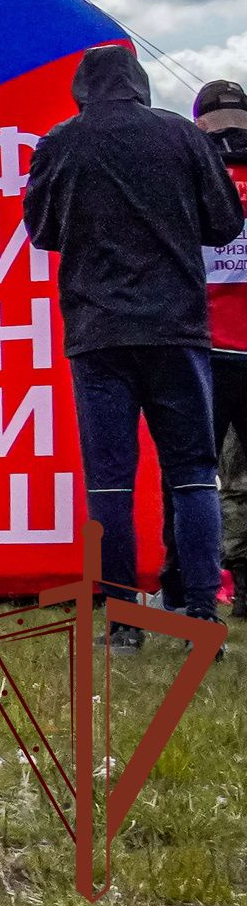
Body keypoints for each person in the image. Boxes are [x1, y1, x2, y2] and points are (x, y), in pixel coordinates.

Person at [24, 45, 240, 645]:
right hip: (177, 329)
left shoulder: (59, 143)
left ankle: (121, 616)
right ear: (141, 86)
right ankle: (200, 610)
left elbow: (41, 232)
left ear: (81, 91)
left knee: (110, 481)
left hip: (98, 335)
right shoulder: (182, 137)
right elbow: (225, 223)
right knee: (194, 473)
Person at [190, 80, 247, 611]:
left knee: (190, 475)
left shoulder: (187, 167)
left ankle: (191, 588)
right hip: (221, 344)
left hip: (202, 345)